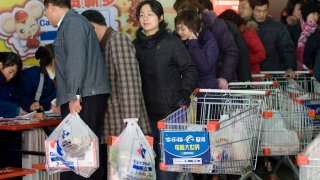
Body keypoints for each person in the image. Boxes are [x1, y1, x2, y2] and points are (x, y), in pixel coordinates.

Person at [43, 0, 111, 179]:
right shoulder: (73, 23)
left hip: (84, 97)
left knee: (79, 156)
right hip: (85, 95)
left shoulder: (72, 23)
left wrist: (73, 96)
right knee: (84, 155)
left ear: (51, 6)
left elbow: (75, 60)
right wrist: (63, 99)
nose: (46, 16)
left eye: (46, 11)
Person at [81, 9, 152, 176]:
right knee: (117, 174)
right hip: (114, 124)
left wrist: (131, 122)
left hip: (124, 123)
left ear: (91, 27)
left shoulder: (117, 40)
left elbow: (129, 83)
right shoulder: (103, 45)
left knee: (127, 174)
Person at [134, 1, 198, 179]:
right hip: (144, 114)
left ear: (160, 17)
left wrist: (184, 91)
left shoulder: (172, 43)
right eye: (142, 15)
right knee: (148, 165)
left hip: (170, 113)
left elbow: (189, 70)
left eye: (150, 14)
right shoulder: (135, 46)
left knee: (167, 167)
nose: (145, 18)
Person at [174, 0, 239, 87]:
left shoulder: (214, 27)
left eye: (185, 13)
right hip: (192, 84)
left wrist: (224, 77)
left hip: (216, 80)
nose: (181, 17)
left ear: (196, 10)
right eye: (179, 14)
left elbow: (231, 51)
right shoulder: (179, 34)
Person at [250, 0, 297, 77]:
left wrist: (290, 67)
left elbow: (287, 49)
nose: (262, 14)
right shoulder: (244, 27)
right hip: (252, 76)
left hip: (274, 76)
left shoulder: (279, 28)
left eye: (265, 10)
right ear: (252, 10)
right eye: (258, 11)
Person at [175, 9, 219, 88]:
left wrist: (193, 44)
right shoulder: (182, 40)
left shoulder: (209, 40)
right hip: (190, 88)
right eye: (177, 29)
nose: (179, 32)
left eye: (182, 29)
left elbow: (205, 67)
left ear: (193, 27)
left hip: (206, 91)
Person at [220, 8, 266, 74]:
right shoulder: (238, 32)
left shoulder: (248, 33)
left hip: (250, 74)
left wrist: (244, 59)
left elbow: (261, 54)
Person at [0, 52, 23, 172]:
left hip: (8, 135)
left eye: (14, 73)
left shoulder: (10, 83)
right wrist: (16, 109)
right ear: (1, 65)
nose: (12, 76)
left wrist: (29, 105)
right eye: (10, 71)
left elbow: (17, 97)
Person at [15, 44, 56, 113]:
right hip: (33, 118)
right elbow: (19, 97)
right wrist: (30, 104)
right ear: (53, 59)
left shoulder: (64, 76)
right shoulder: (31, 75)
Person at [288, 2, 320, 70]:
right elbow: (287, 49)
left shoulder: (316, 31)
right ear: (306, 13)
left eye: (317, 14)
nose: (316, 17)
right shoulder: (293, 28)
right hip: (293, 70)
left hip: (309, 71)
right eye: (313, 14)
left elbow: (316, 53)